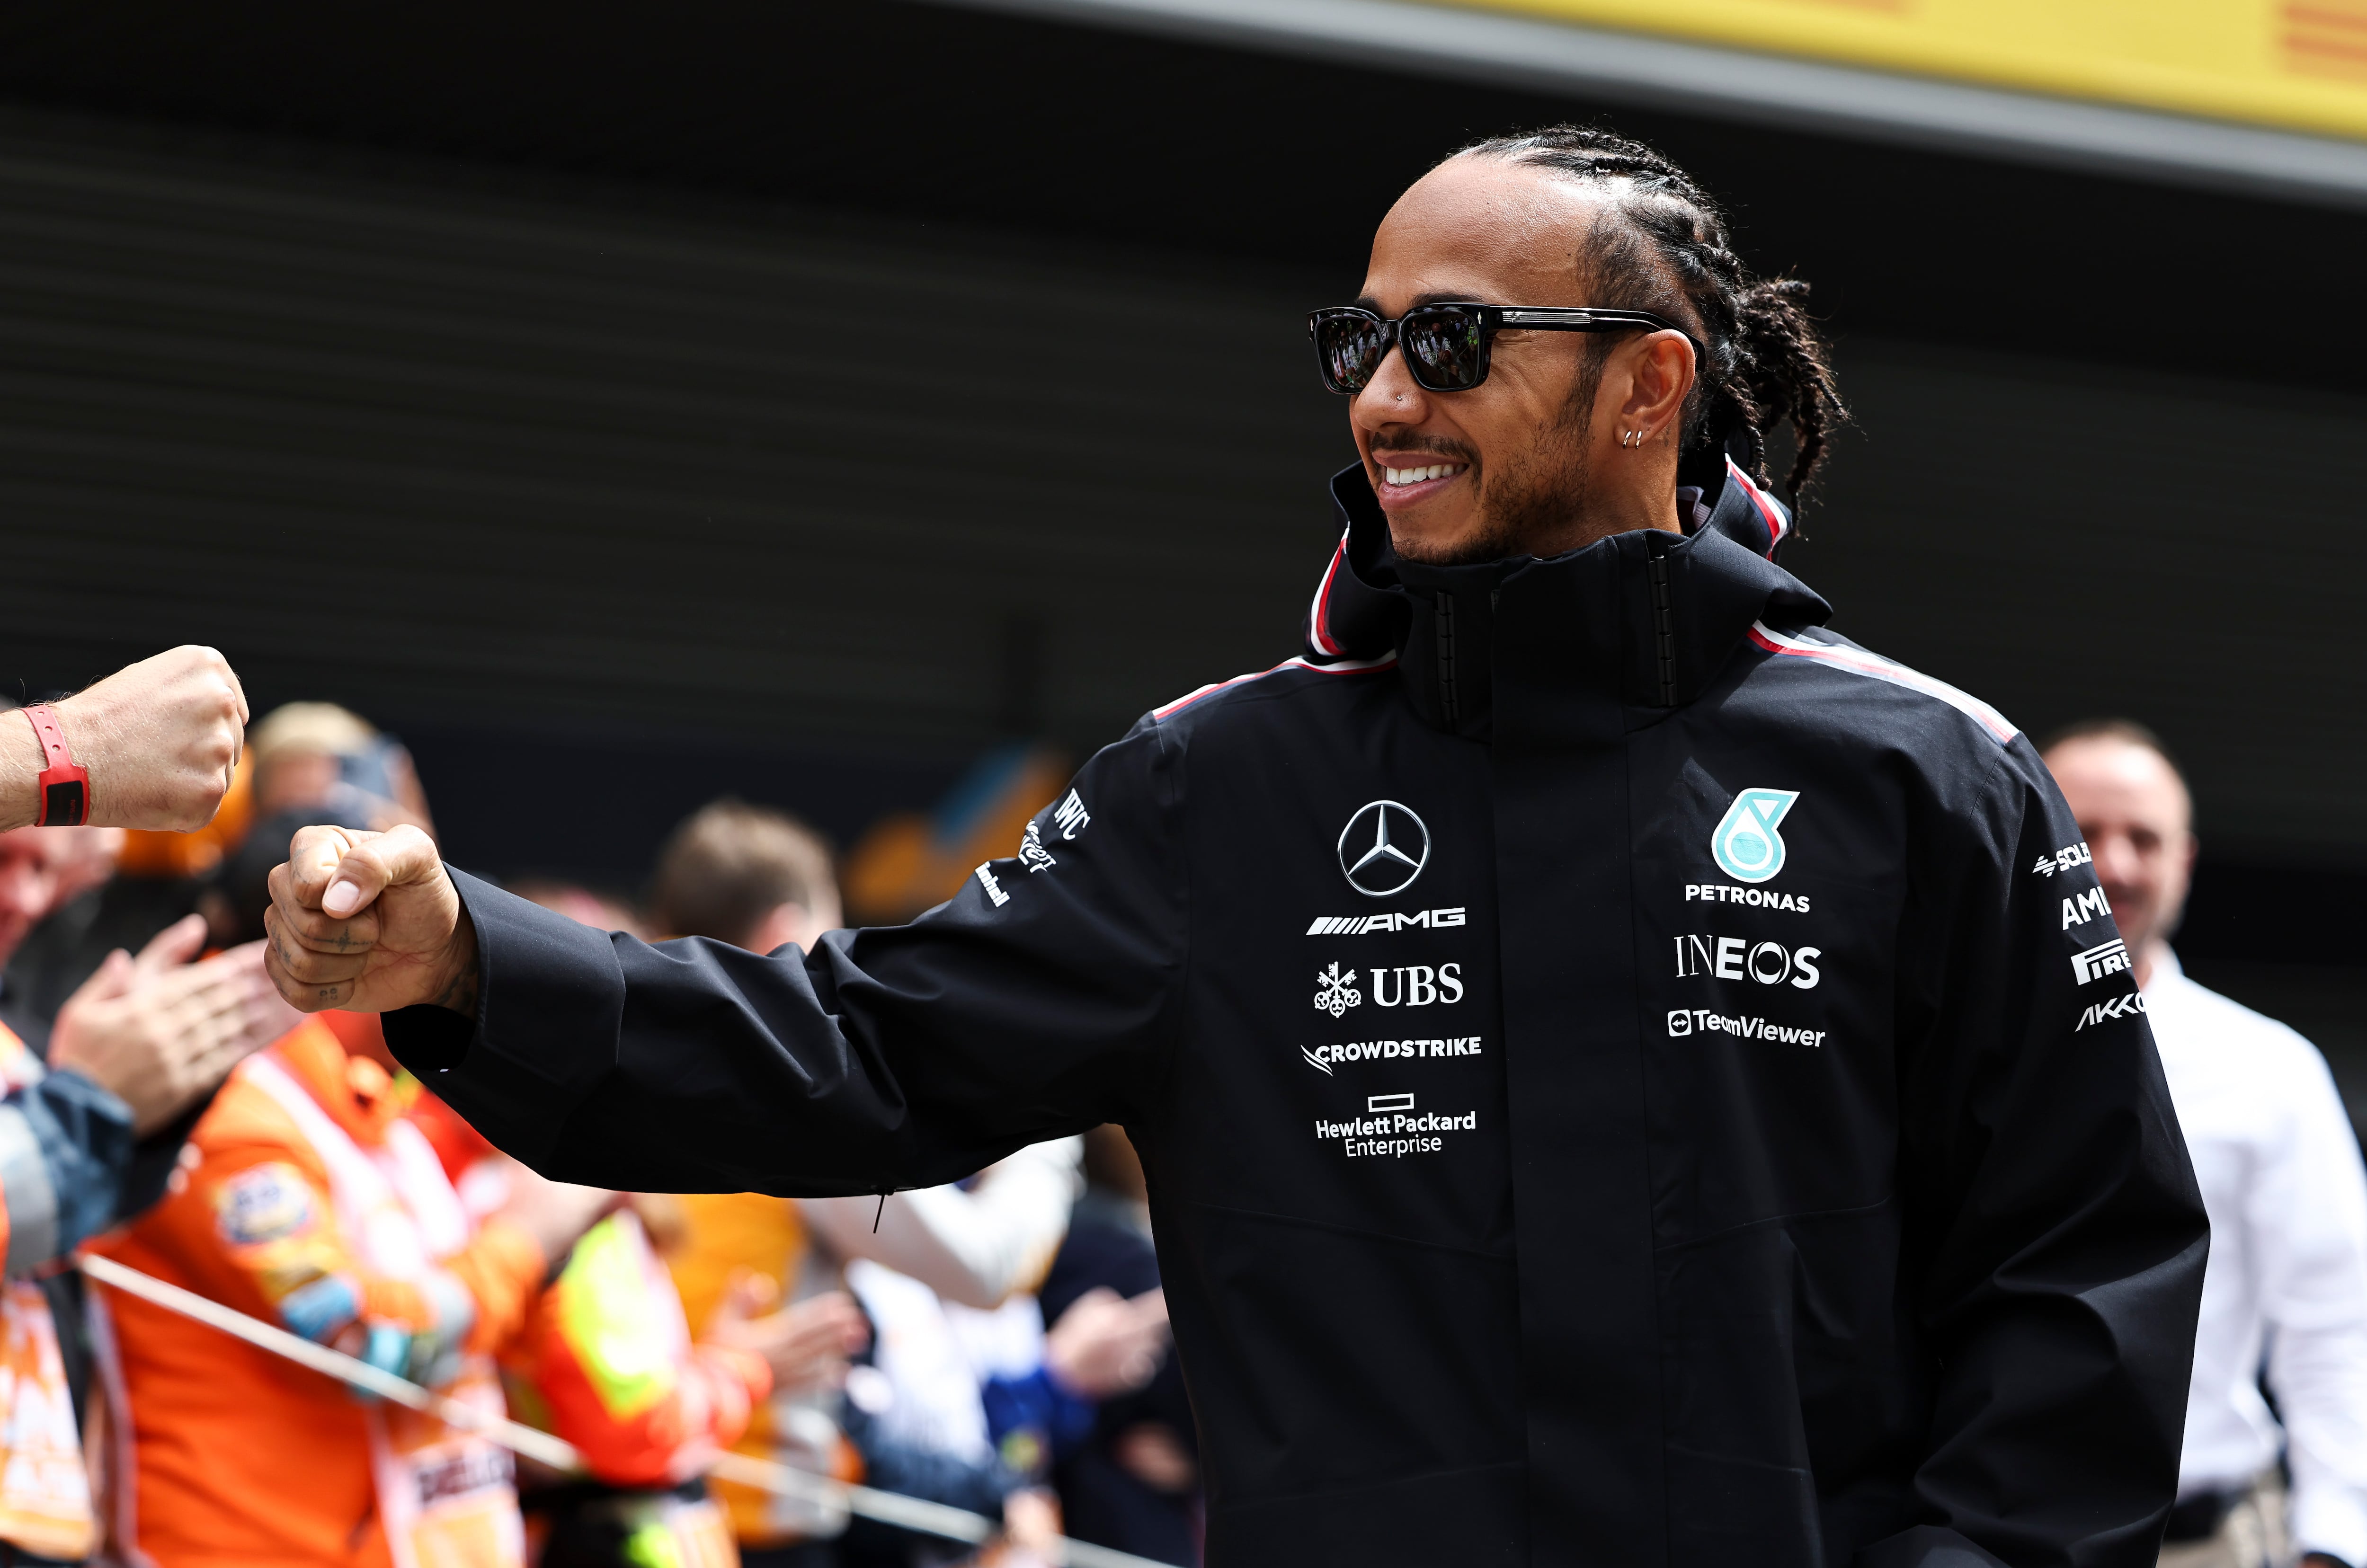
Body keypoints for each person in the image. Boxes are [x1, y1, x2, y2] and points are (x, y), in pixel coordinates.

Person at [266, 127, 2208, 1567]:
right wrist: (469, 960)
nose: (1381, 395)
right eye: (1352, 342)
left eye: (1448, 339)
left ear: (1645, 386)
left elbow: (2080, 1275)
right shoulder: (1216, 789)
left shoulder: (1927, 777)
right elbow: (863, 1051)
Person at [2045, 720, 2367, 1568]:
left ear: (2184, 861)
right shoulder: (1936, 1049)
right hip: (1976, 1533)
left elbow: (2338, 1326)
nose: (2113, 865)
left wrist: (2335, 1545)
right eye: (2081, 832)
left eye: (2143, 838)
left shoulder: (2270, 1070)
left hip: (2206, 1544)